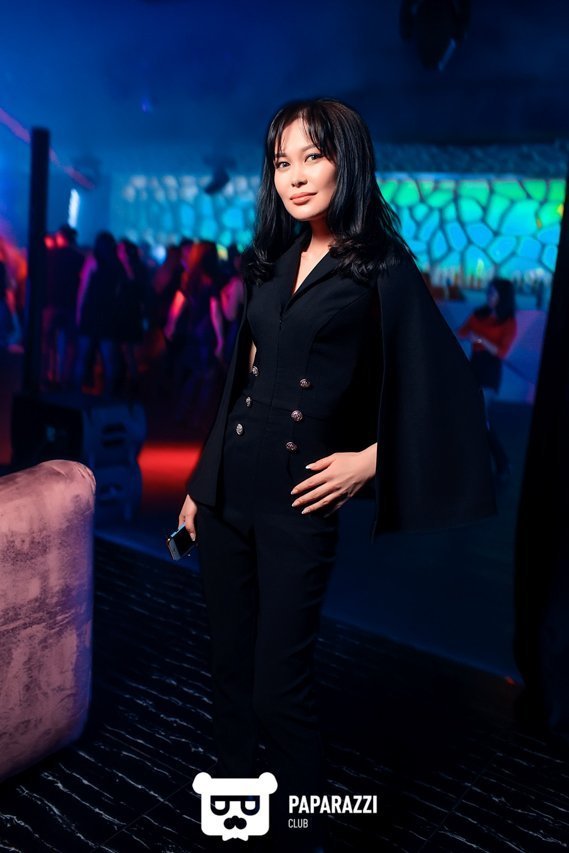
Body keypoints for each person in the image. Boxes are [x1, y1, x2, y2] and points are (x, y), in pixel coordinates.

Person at [178, 97, 496, 852]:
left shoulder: (379, 267)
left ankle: (304, 834)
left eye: (311, 157)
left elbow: (453, 394)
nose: (294, 176)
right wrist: (198, 484)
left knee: (278, 691)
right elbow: (240, 385)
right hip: (226, 496)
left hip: (298, 505)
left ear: (344, 161)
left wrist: (372, 460)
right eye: (281, 161)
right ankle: (237, 820)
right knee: (228, 671)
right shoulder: (270, 262)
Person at [457, 277, 517, 482]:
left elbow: (502, 352)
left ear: (502, 297)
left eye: (492, 293)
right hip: (474, 366)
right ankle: (494, 463)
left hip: (490, 370)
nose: (488, 296)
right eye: (488, 292)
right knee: (473, 417)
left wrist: (481, 339)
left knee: (480, 417)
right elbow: (461, 332)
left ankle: (501, 462)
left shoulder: (508, 321)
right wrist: (469, 336)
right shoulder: (479, 314)